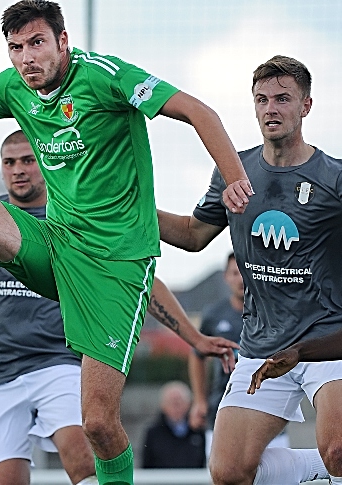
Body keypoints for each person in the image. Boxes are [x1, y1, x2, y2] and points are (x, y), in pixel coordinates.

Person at [0, 2, 252, 483]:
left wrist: (233, 177)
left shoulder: (107, 77)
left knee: (99, 425)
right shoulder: (12, 86)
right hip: (54, 243)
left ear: (63, 42)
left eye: (37, 43)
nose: (26, 58)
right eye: (16, 48)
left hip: (115, 266)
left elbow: (195, 110)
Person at [0, 130, 238, 485]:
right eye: (9, 163)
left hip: (60, 361)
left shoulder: (76, 214)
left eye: (27, 160)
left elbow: (138, 280)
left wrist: (193, 336)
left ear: (45, 161)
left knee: (85, 456)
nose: (18, 170)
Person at [157, 55, 340, 485]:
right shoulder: (233, 171)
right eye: (261, 100)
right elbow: (192, 234)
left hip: (328, 342)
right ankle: (318, 470)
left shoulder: (333, 180)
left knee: (338, 449)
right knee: (229, 473)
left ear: (306, 106)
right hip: (262, 344)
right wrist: (133, 209)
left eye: (282, 99)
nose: (270, 109)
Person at [188, 253, 288, 457]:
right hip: (222, 410)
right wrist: (199, 400)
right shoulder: (213, 315)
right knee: (223, 475)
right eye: (235, 273)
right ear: (226, 277)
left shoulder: (274, 313)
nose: (241, 279)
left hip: (268, 412)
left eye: (245, 272)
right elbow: (197, 354)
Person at [142, 381, 205, 469]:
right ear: (163, 405)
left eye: (179, 402)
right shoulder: (153, 433)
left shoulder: (199, 431)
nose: (176, 406)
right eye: (171, 402)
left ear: (188, 403)